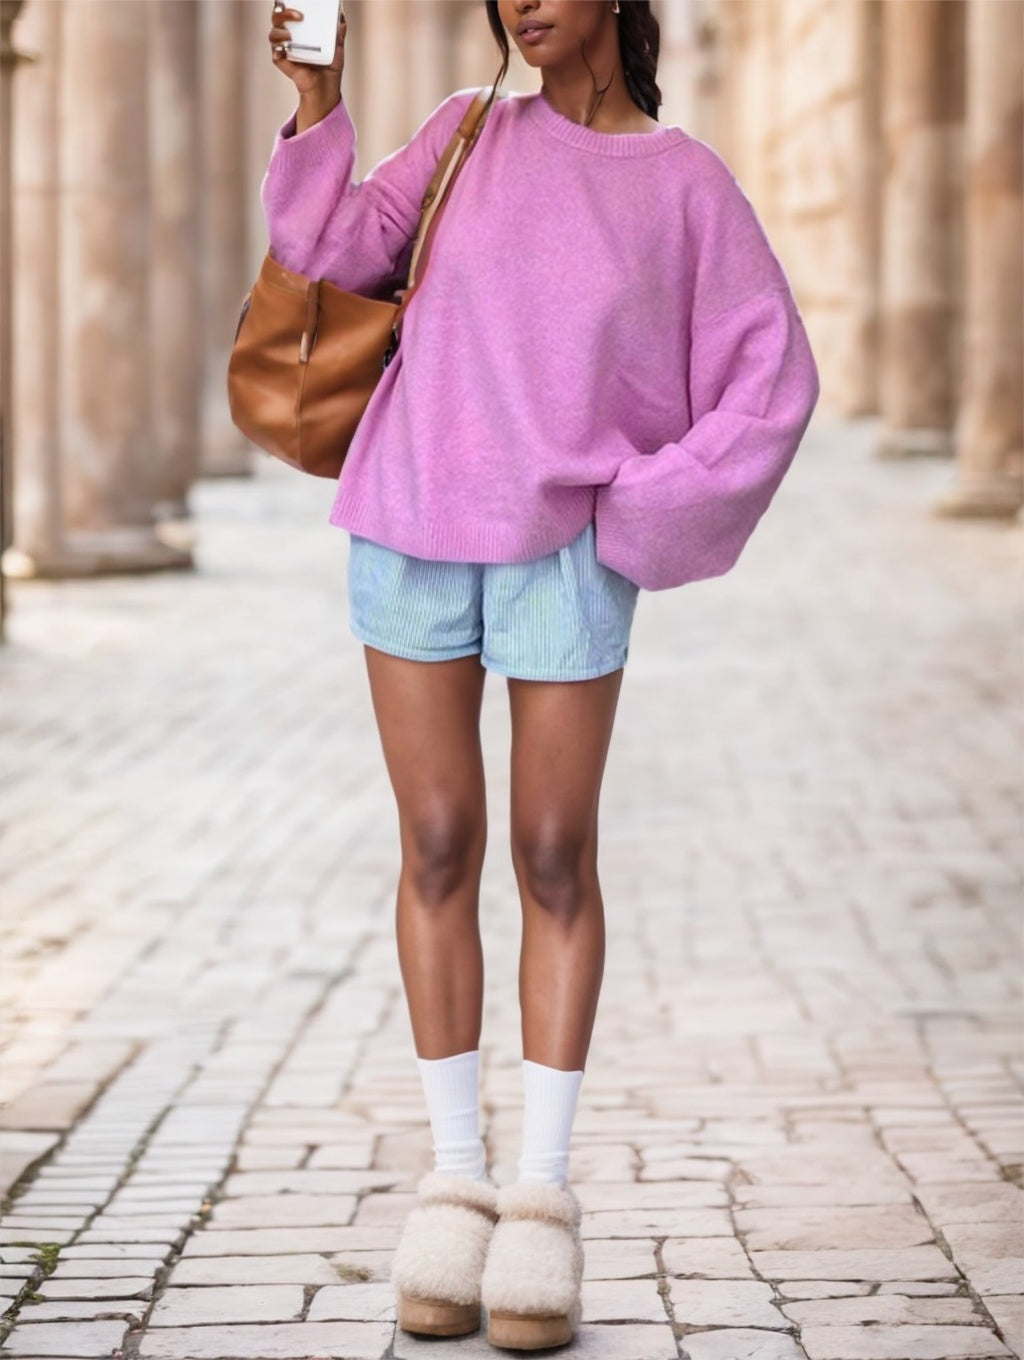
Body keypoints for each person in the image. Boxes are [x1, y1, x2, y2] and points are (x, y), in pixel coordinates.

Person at [262, 0, 819, 1349]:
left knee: (555, 853)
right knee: (441, 842)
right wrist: (316, 95)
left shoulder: (686, 186)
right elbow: (327, 248)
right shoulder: (464, 135)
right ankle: (453, 1182)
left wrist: (642, 506)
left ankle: (542, 1199)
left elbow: (772, 380)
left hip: (565, 554)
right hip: (408, 527)